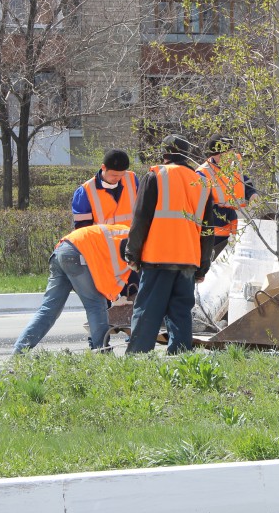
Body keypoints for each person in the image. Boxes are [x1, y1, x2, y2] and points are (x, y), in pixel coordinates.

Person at [124, 134, 216, 355]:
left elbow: (141, 219)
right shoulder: (202, 183)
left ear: (164, 154)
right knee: (181, 312)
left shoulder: (156, 176)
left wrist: (132, 253)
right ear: (186, 155)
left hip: (158, 257)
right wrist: (203, 266)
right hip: (188, 260)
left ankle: (138, 358)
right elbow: (207, 230)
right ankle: (181, 359)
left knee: (148, 310)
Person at [14, 223, 132, 353]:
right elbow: (121, 269)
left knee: (49, 309)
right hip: (76, 255)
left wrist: (116, 296)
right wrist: (115, 296)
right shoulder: (135, 239)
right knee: (96, 305)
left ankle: (20, 351)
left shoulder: (122, 233)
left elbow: (108, 269)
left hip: (62, 250)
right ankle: (102, 351)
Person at [195, 135, 257, 262]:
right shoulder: (203, 173)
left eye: (228, 153)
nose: (224, 158)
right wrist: (232, 213)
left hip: (239, 232)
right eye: (218, 155)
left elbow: (244, 182)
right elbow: (204, 207)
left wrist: (252, 194)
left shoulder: (235, 165)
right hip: (216, 234)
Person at [71, 149, 139, 228]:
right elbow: (83, 229)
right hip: (102, 240)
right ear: (103, 167)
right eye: (114, 175)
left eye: (122, 175)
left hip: (131, 239)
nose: (118, 178)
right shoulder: (85, 191)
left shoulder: (132, 179)